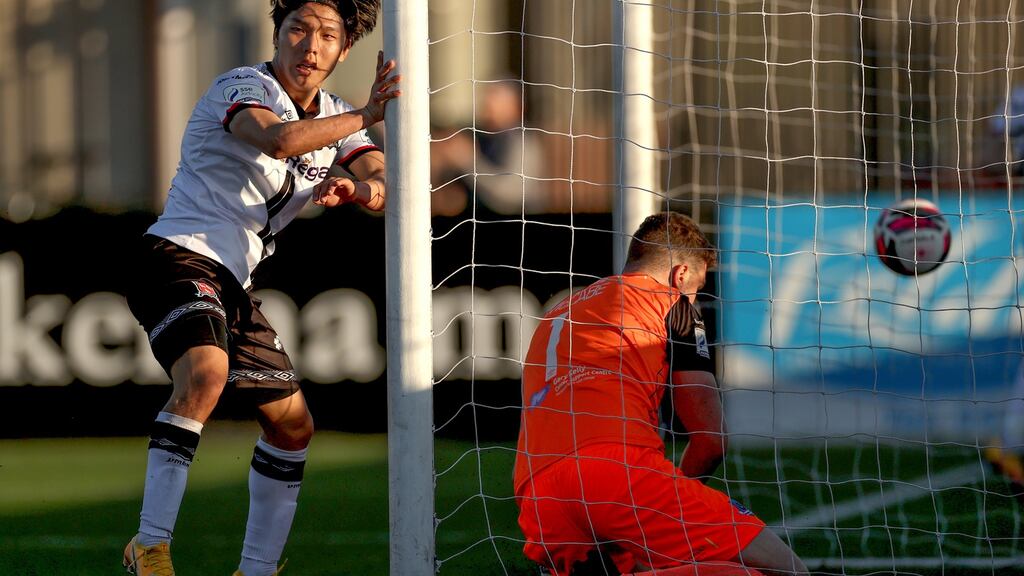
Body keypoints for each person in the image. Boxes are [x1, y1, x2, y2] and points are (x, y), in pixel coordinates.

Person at [121, 1, 399, 575]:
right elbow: (278, 141)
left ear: (344, 50)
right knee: (206, 374)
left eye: (327, 35)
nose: (310, 45)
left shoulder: (337, 115)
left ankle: (257, 569)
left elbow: (382, 182)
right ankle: (149, 546)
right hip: (177, 253)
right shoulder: (243, 86)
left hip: (233, 282)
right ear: (277, 35)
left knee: (293, 424)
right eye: (298, 29)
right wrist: (369, 113)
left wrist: (357, 192)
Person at [513, 212, 808, 576]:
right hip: (616, 473)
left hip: (537, 497)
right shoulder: (674, 304)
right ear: (680, 274)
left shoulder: (558, 311)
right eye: (696, 287)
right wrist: (679, 493)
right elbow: (711, 439)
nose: (694, 296)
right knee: (786, 570)